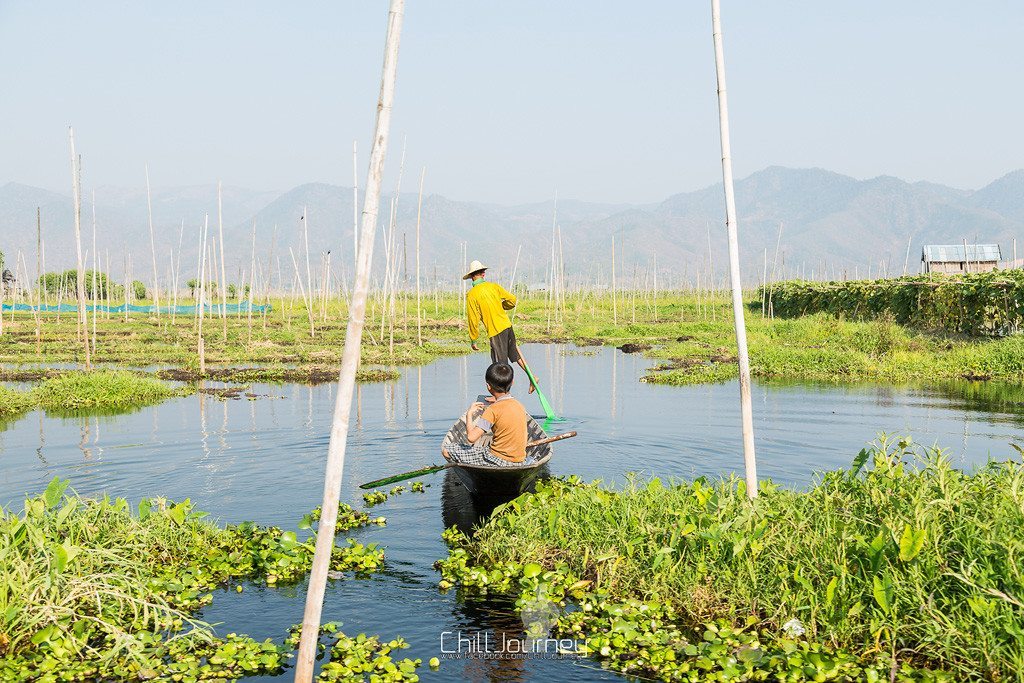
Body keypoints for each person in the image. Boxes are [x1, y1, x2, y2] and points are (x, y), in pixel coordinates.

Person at [463, 259, 536, 393]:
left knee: (499, 365)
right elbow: (512, 300)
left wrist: (473, 339)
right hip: (507, 326)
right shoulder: (494, 287)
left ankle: (502, 394)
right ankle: (532, 377)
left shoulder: (472, 295)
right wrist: (502, 306)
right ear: (483, 274)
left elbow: (473, 319)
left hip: (496, 331)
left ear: (472, 277)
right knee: (516, 356)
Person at [442, 363, 530, 467]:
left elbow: (471, 438)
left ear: (488, 386)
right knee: (482, 449)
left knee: (447, 450)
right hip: (520, 461)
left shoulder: (492, 410)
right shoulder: (520, 406)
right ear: (512, 382)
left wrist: (469, 414)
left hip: (496, 460)